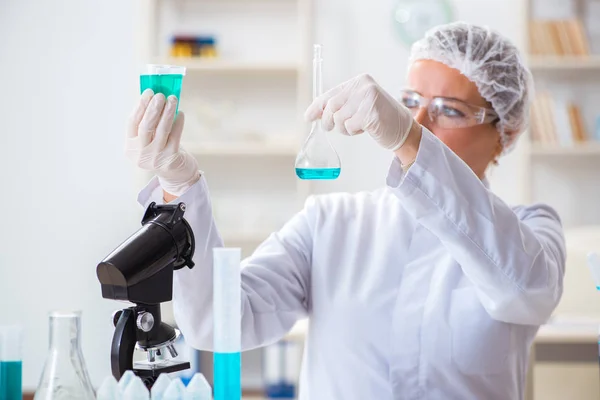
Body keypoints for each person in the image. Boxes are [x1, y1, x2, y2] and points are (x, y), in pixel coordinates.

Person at [125, 22, 565, 400]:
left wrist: (410, 141)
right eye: (410, 102)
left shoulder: (531, 230)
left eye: (450, 110)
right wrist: (179, 186)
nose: (421, 123)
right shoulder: (330, 223)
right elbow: (216, 323)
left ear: (504, 133)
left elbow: (523, 291)